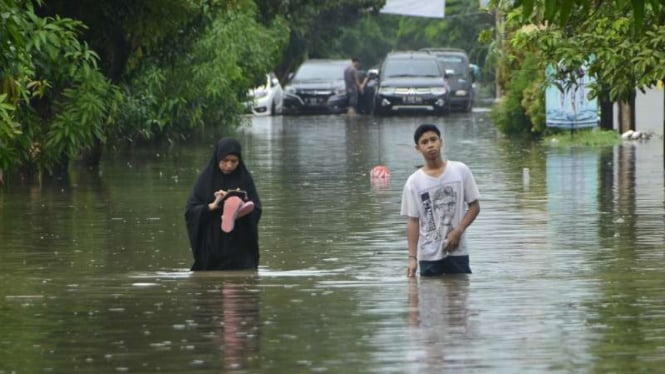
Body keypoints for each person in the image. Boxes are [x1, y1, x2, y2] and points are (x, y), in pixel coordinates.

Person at [400, 124, 480, 277]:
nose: (430, 145)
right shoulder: (414, 182)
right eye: (424, 142)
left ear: (441, 142)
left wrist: (458, 231)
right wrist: (412, 258)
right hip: (428, 254)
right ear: (418, 148)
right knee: (430, 296)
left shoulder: (460, 171)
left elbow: (474, 206)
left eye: (433, 140)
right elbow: (413, 221)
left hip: (458, 251)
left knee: (459, 296)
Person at [185, 138, 262, 271]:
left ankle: (237, 210)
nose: (229, 166)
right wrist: (211, 206)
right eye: (224, 161)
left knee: (242, 280)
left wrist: (243, 203)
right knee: (212, 282)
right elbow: (190, 211)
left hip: (239, 242)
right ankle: (229, 212)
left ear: (239, 160)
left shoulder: (244, 178)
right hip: (213, 242)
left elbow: (257, 208)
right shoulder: (205, 179)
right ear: (217, 159)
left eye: (234, 161)